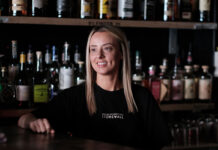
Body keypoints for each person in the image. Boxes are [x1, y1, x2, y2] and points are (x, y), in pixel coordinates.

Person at [18, 25, 172, 149]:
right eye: (93, 49)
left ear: (121, 53)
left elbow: (161, 143)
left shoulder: (141, 97)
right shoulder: (75, 97)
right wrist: (32, 122)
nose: (99, 56)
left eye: (107, 48)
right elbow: (25, 118)